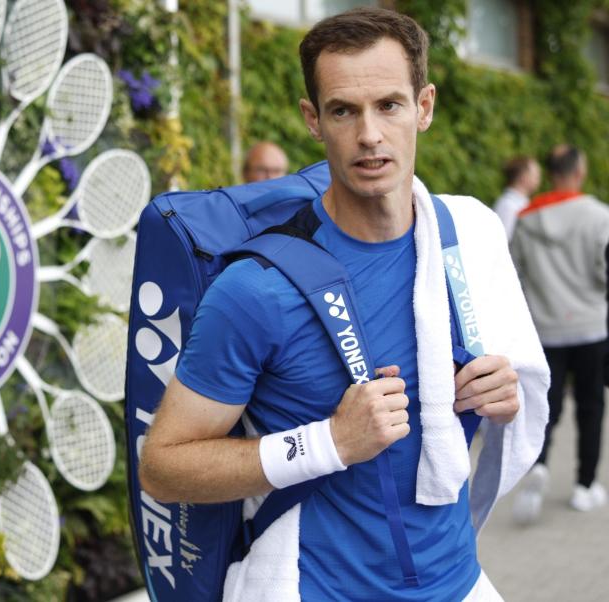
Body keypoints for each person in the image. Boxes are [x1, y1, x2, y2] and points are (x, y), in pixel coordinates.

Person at [139, 7, 549, 601]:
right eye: (343, 110)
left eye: (388, 105)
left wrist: (505, 397)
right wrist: (327, 442)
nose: (369, 136)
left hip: (459, 582)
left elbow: (513, 392)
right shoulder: (256, 289)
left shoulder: (469, 234)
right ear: (313, 119)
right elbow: (164, 466)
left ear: (424, 107)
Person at [509, 144, 609, 522]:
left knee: (545, 407)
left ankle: (540, 464)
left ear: (550, 174)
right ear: (579, 171)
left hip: (545, 329)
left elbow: (515, 274)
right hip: (591, 328)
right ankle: (584, 487)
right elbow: (605, 273)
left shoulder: (526, 219)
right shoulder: (599, 216)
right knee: (591, 407)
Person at [493, 156, 541, 240]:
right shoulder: (508, 205)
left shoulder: (520, 203)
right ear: (523, 176)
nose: (538, 180)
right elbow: (505, 240)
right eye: (535, 176)